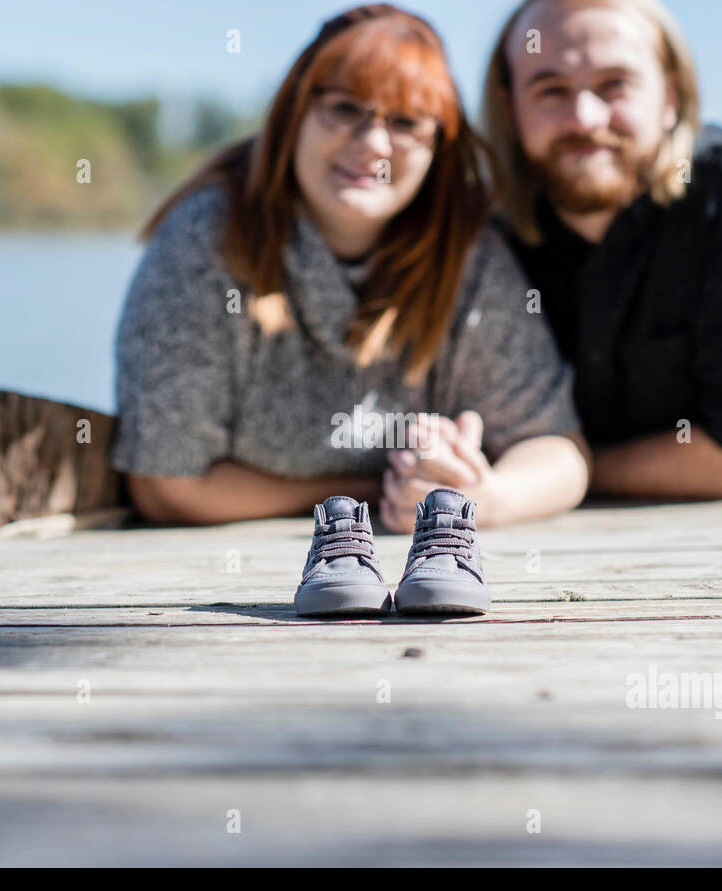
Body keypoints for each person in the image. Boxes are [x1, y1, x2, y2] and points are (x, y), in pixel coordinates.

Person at [109, 4, 590, 530]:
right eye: (344, 108)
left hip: (420, 573)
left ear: (439, 148)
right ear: (295, 113)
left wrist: (484, 496)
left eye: (405, 122)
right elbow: (167, 485)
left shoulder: (469, 257)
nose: (373, 145)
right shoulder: (207, 241)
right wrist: (381, 491)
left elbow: (559, 449)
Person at [387, 0, 722, 502]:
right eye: (550, 89)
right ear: (509, 110)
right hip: (498, 552)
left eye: (615, 85)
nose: (585, 118)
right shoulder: (474, 229)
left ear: (670, 96)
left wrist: (555, 473)